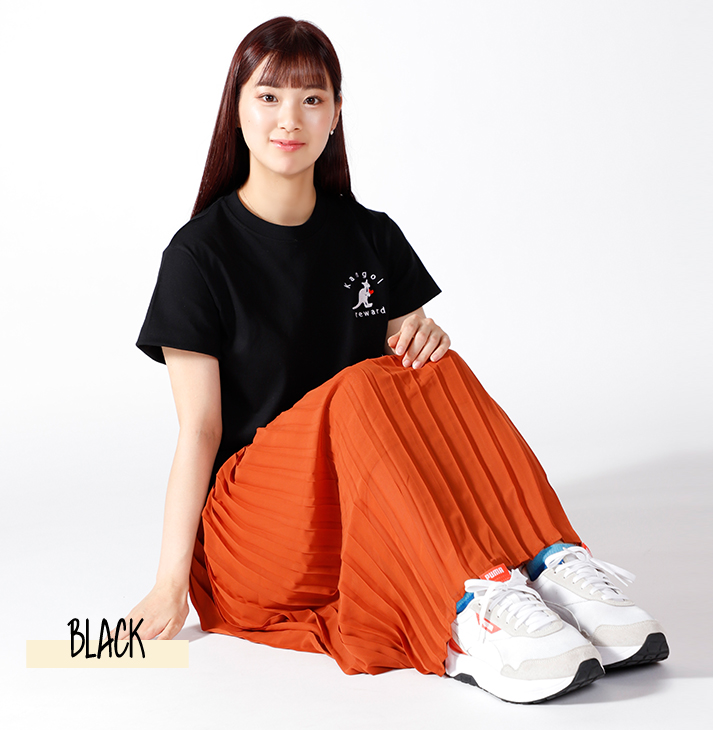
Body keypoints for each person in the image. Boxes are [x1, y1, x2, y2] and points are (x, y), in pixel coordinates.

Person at [123, 16, 668, 704]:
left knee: (434, 363)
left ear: (335, 115)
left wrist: (421, 337)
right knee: (358, 388)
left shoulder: (370, 235)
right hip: (255, 530)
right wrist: (170, 582)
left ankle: (549, 563)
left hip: (354, 514)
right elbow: (200, 429)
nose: (289, 118)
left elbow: (411, 398)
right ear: (236, 109)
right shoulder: (197, 255)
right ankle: (465, 614)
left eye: (312, 98)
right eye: (268, 96)